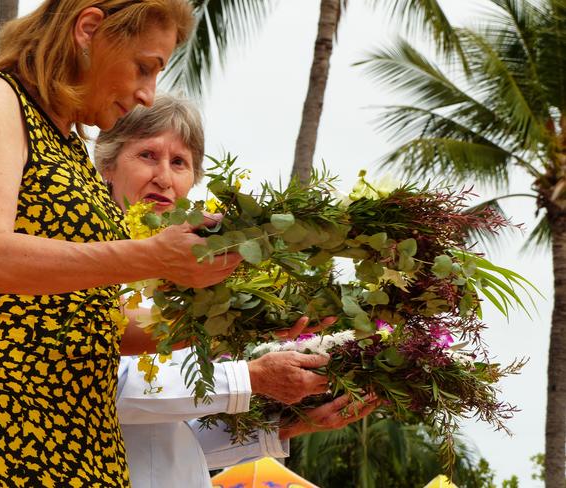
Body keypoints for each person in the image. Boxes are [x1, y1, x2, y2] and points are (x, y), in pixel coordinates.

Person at [0, 2, 244, 486]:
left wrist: (242, 320)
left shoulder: (68, 147)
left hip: (80, 441)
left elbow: (93, 321)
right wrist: (153, 256)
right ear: (89, 29)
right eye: (144, 67)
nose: (147, 94)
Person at [95, 93, 379, 487]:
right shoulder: (83, 258)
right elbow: (105, 387)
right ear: (107, 164)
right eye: (147, 155)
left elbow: (170, 440)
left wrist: (289, 425)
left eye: (179, 162)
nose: (164, 176)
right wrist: (249, 379)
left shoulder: (189, 280)